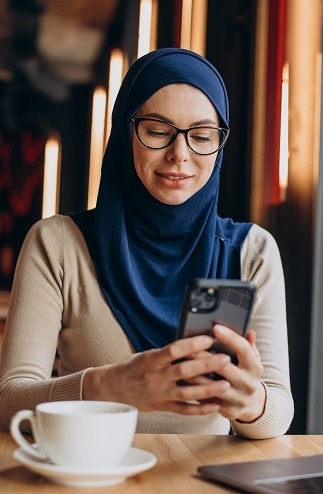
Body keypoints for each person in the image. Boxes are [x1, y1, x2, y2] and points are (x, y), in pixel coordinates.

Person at [0, 48, 293, 437]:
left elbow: (279, 410)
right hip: (91, 476)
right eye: (157, 131)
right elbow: (8, 404)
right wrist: (109, 386)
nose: (180, 154)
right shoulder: (56, 244)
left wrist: (251, 403)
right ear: (125, 131)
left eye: (202, 136)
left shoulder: (252, 252)